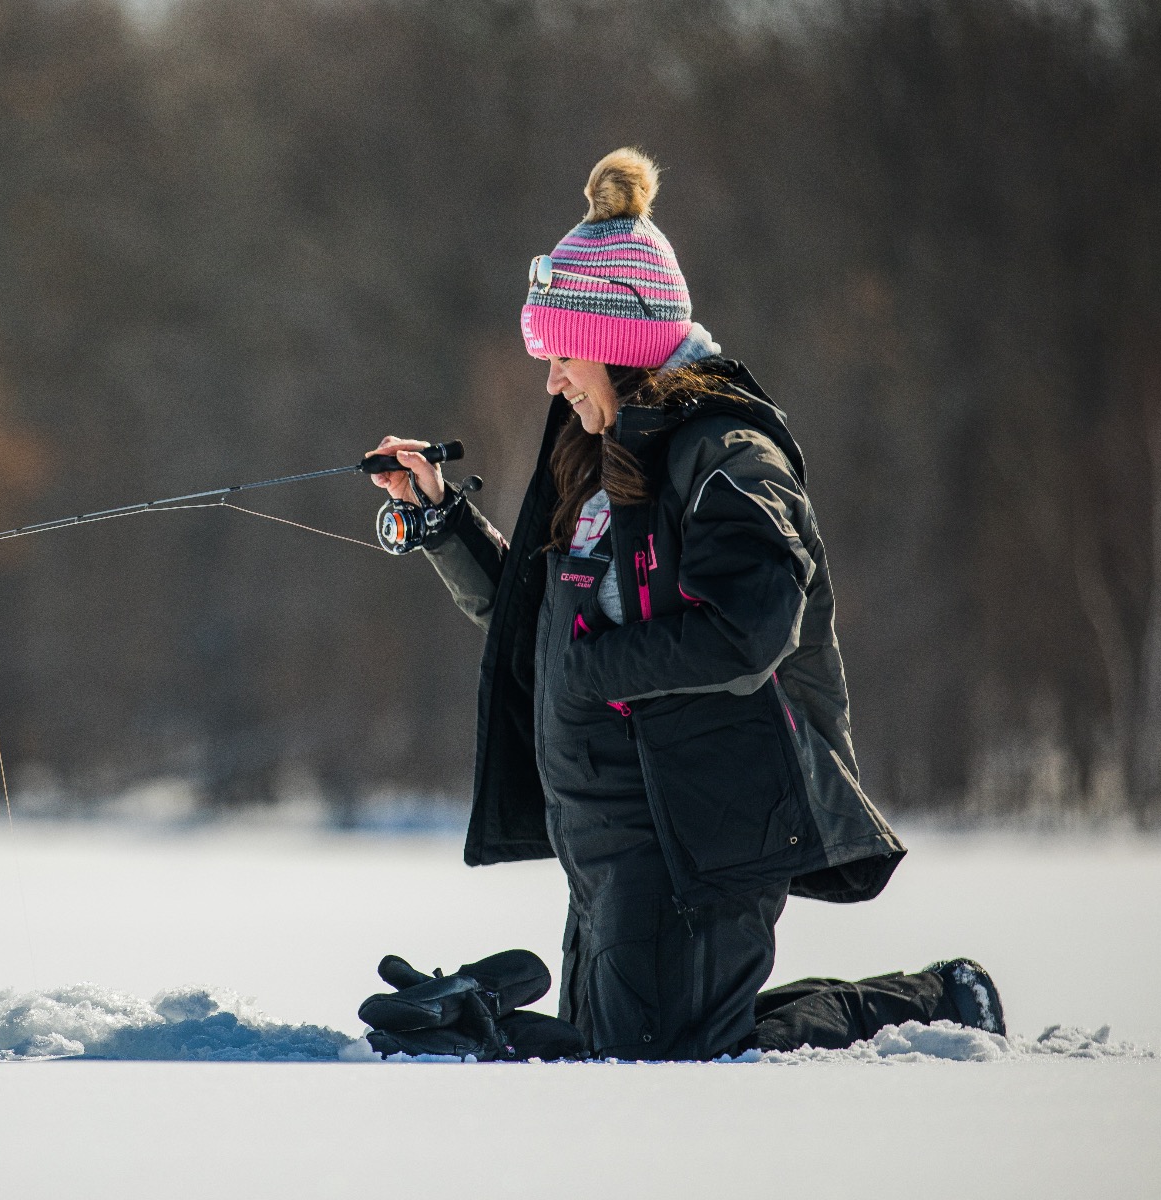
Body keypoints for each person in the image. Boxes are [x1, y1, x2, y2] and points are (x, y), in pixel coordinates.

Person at [365, 148, 1004, 1059]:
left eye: (559, 352)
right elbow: (540, 619)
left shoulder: (728, 455)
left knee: (666, 1054)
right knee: (616, 1044)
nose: (549, 377)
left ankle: (936, 1002)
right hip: (605, 830)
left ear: (619, 343)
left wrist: (589, 676)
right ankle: (480, 1019)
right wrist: (439, 519)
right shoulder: (592, 454)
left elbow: (750, 632)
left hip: (695, 827)